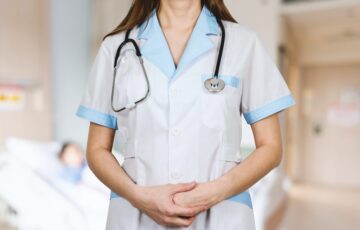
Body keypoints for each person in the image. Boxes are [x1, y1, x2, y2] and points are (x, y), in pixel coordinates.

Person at [76, 0, 296, 229]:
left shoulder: (243, 43)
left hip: (223, 215)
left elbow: (270, 148)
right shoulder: (116, 48)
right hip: (136, 217)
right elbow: (97, 150)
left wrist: (213, 193)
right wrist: (138, 196)